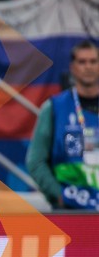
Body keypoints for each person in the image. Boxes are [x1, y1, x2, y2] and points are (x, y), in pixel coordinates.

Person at [27, 40, 99, 210]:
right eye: (82, 62)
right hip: (69, 211)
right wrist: (58, 195)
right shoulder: (54, 108)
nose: (88, 67)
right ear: (73, 67)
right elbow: (35, 162)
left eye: (93, 61)